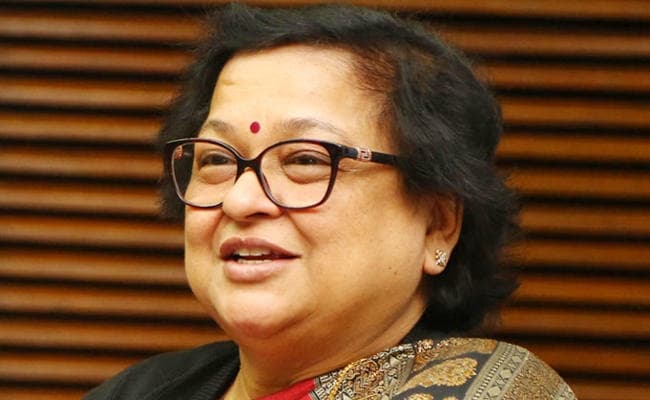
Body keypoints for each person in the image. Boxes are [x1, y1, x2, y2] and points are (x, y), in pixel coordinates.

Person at [84, 3, 575, 399]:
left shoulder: (493, 392)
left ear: (437, 225)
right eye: (216, 159)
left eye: (305, 160)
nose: (241, 199)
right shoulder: (141, 391)